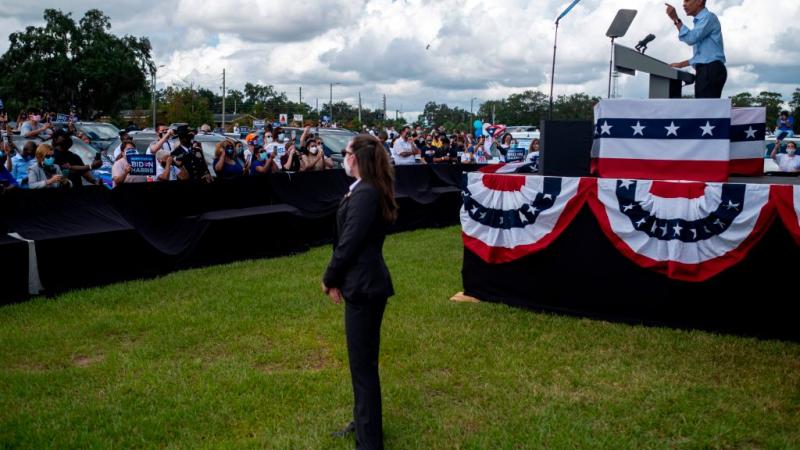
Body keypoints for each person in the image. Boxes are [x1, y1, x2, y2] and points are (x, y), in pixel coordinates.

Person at [322, 134, 397, 450]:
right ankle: (364, 422)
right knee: (362, 364)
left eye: (346, 152)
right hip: (363, 283)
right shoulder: (365, 189)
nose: (343, 157)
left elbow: (349, 243)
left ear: (356, 157)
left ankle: (369, 441)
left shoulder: (366, 192)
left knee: (363, 366)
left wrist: (329, 277)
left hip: (365, 286)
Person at [666, 0, 726, 98]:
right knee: (705, 105)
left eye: (687, 0)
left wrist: (676, 19)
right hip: (708, 70)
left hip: (710, 70)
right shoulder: (702, 21)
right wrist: (681, 64)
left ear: (699, 1)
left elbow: (691, 39)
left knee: (705, 106)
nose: (684, 4)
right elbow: (703, 56)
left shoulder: (708, 17)